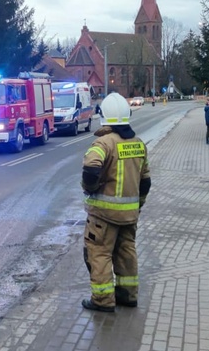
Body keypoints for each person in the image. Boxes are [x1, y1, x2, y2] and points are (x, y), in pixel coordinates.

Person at [80, 93, 151, 313]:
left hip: (103, 215)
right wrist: (138, 204)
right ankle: (128, 295)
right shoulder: (138, 144)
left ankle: (102, 300)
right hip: (130, 215)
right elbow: (145, 181)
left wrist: (90, 189)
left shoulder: (103, 143)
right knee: (126, 252)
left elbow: (91, 168)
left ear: (104, 116)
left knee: (98, 253)